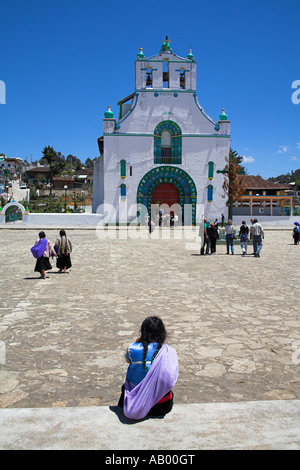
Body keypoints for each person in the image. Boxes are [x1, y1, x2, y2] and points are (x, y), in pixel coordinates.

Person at [118, 316, 178, 420]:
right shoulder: (168, 351)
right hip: (162, 405)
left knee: (125, 387)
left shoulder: (133, 348)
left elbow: (128, 360)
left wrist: (137, 343)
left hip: (135, 404)